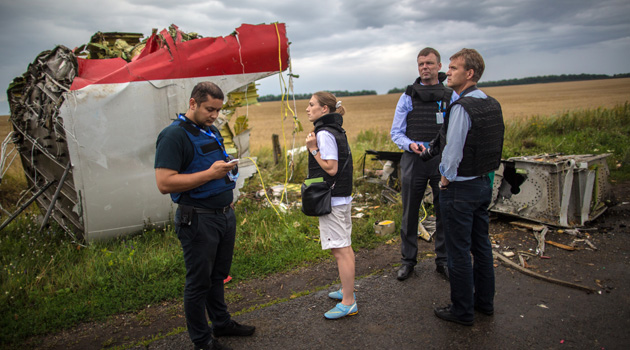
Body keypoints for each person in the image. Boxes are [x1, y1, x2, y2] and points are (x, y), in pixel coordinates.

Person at [155, 81, 255, 350]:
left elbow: (214, 168)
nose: (214, 115)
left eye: (218, 110)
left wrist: (226, 193)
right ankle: (202, 341)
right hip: (198, 218)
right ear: (192, 103)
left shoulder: (210, 131)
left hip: (223, 214)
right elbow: (164, 183)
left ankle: (221, 323)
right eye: (209, 109)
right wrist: (210, 175)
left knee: (218, 276)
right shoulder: (173, 136)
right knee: (198, 282)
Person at [425, 49, 505, 326]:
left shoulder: (462, 107)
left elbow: (453, 152)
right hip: (484, 184)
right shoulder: (491, 103)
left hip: (460, 189)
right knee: (481, 246)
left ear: (469, 73)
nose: (448, 72)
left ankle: (462, 311)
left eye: (454, 68)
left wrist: (444, 180)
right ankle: (485, 303)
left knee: (458, 251)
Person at [390, 47, 457, 281]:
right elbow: (396, 133)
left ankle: (444, 260)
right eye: (421, 64)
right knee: (410, 212)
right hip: (414, 159)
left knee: (444, 211)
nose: (424, 67)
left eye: (429, 63)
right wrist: (411, 146)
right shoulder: (408, 95)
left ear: (439, 67)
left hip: (442, 159)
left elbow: (456, 129)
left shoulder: (451, 95)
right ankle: (408, 261)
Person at [304, 91, 356, 319]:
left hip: (332, 200)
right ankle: (347, 291)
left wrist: (313, 149)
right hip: (341, 197)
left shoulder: (323, 133)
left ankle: (348, 302)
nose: (307, 108)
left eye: (311, 104)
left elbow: (331, 168)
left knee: (341, 251)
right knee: (345, 247)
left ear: (324, 109)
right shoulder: (336, 129)